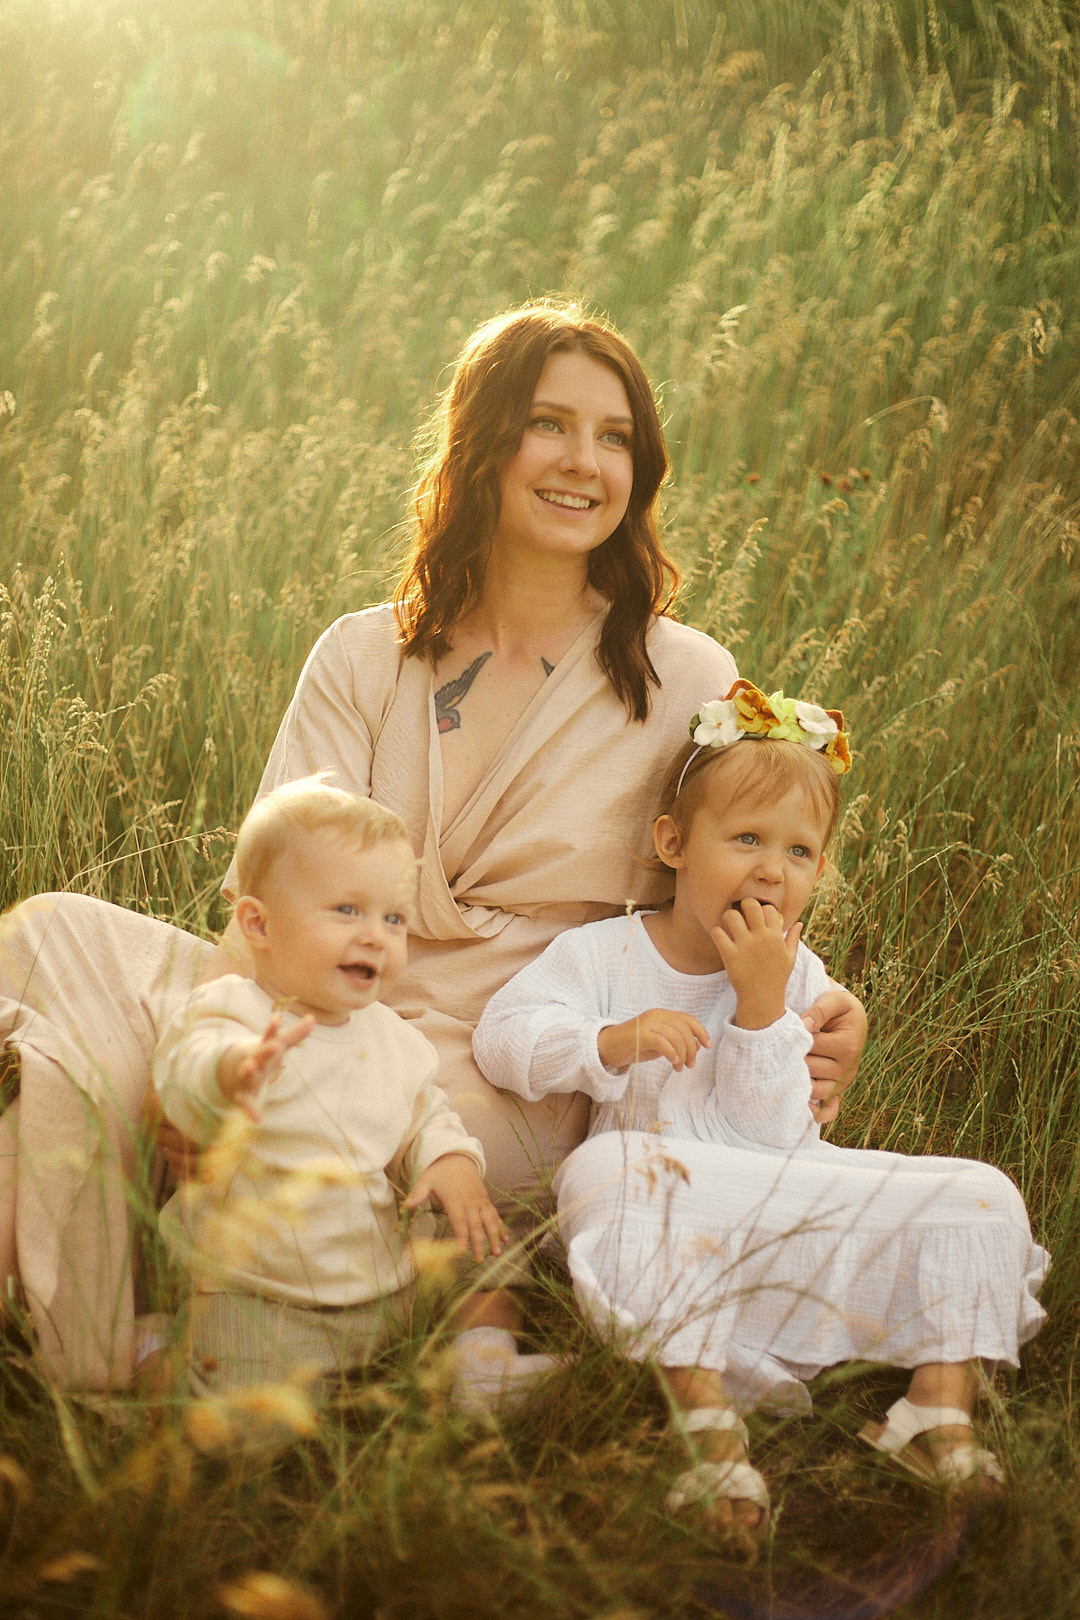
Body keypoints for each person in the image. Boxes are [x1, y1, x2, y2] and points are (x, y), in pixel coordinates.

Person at [0, 301, 866, 1391]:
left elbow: (736, 877)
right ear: (485, 442)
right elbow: (268, 892)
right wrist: (212, 1040)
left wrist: (815, 1007)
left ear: (639, 473)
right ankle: (128, 1295)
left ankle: (114, 1342)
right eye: (551, 423)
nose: (583, 462)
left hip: (502, 1061)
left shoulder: (680, 675)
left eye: (615, 438)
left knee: (215, 1110)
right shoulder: (365, 654)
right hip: (314, 994)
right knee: (57, 943)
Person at [473, 680, 1048, 1536]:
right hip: (666, 1202)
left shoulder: (799, 978)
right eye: (745, 838)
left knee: (984, 1194)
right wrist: (611, 1039)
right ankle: (708, 1431)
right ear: (672, 842)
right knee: (605, 1172)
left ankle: (935, 1411)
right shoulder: (605, 951)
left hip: (773, 1193)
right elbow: (503, 1038)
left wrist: (760, 1008)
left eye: (801, 852)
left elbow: (779, 1136)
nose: (772, 870)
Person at [152, 778, 510, 1394]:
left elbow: (425, 1112)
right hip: (259, 1293)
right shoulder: (235, 1009)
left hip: (384, 1281)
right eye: (347, 910)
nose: (375, 934)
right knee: (246, 1427)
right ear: (258, 926)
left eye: (393, 918)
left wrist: (450, 1159)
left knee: (482, 1240)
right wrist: (234, 1069)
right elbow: (186, 1069)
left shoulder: (392, 1037)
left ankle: (485, 1364)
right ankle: (152, 1355)